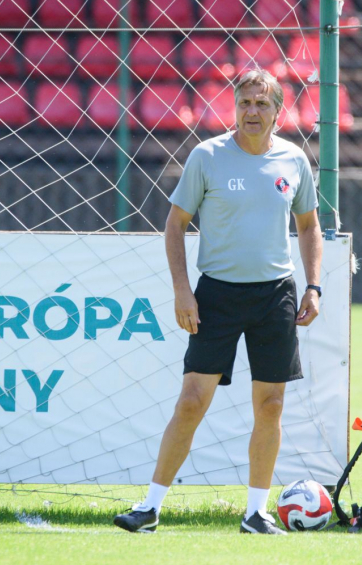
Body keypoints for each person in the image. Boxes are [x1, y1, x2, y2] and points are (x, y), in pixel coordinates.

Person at [113, 70, 322, 535]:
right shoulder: (207, 157)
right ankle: (150, 508)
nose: (252, 111)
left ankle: (256, 513)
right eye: (245, 102)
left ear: (277, 111)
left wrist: (314, 285)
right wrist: (182, 291)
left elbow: (308, 226)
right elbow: (175, 224)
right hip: (217, 296)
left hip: (276, 296)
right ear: (234, 106)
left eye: (262, 104)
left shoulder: (294, 161)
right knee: (191, 400)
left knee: (270, 405)